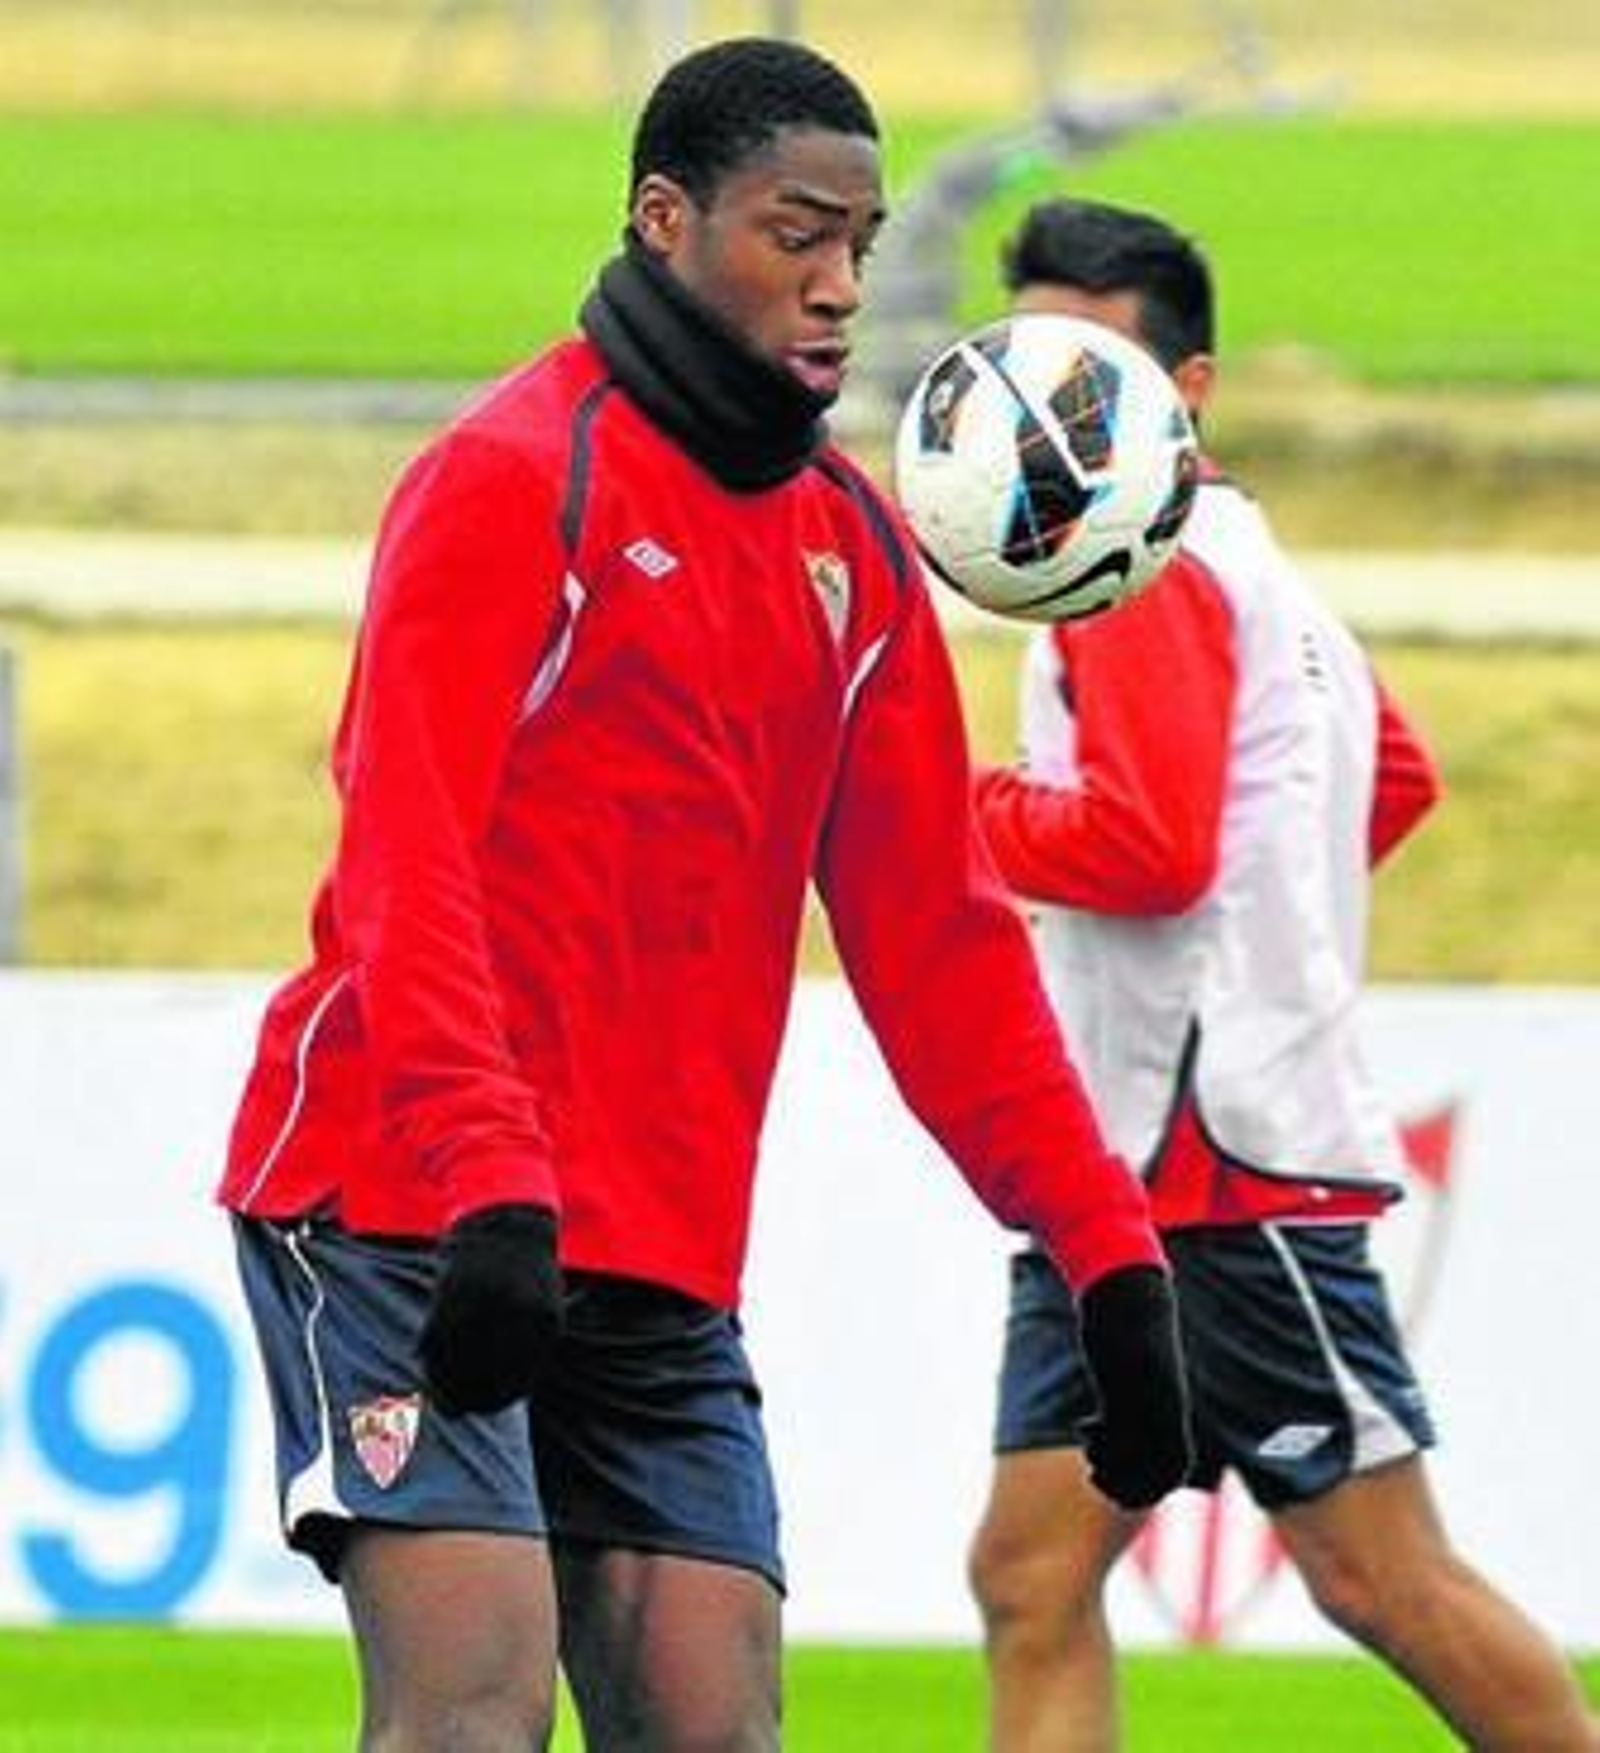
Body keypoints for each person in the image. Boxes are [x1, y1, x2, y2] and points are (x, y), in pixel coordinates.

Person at [217, 46, 1191, 1752]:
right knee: (471, 1708)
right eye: (794, 230)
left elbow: (941, 947)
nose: (837, 282)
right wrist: (491, 1175)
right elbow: (402, 858)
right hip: (402, 1192)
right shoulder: (513, 478)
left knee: (716, 1730)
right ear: (667, 221)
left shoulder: (860, 555)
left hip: (656, 1249)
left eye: (863, 243)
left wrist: (1107, 1249)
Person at [965, 194, 1600, 1752]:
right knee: (1033, 1572)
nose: (1059, 410)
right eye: (1033, 365)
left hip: (1204, 1163)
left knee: (1379, 1576)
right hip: (1145, 1154)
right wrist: (1273, 940)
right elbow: (1392, 779)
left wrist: (949, 813)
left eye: (1096, 371)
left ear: (1188, 393)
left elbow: (1149, 847)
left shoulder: (1144, 561)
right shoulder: (1261, 563)